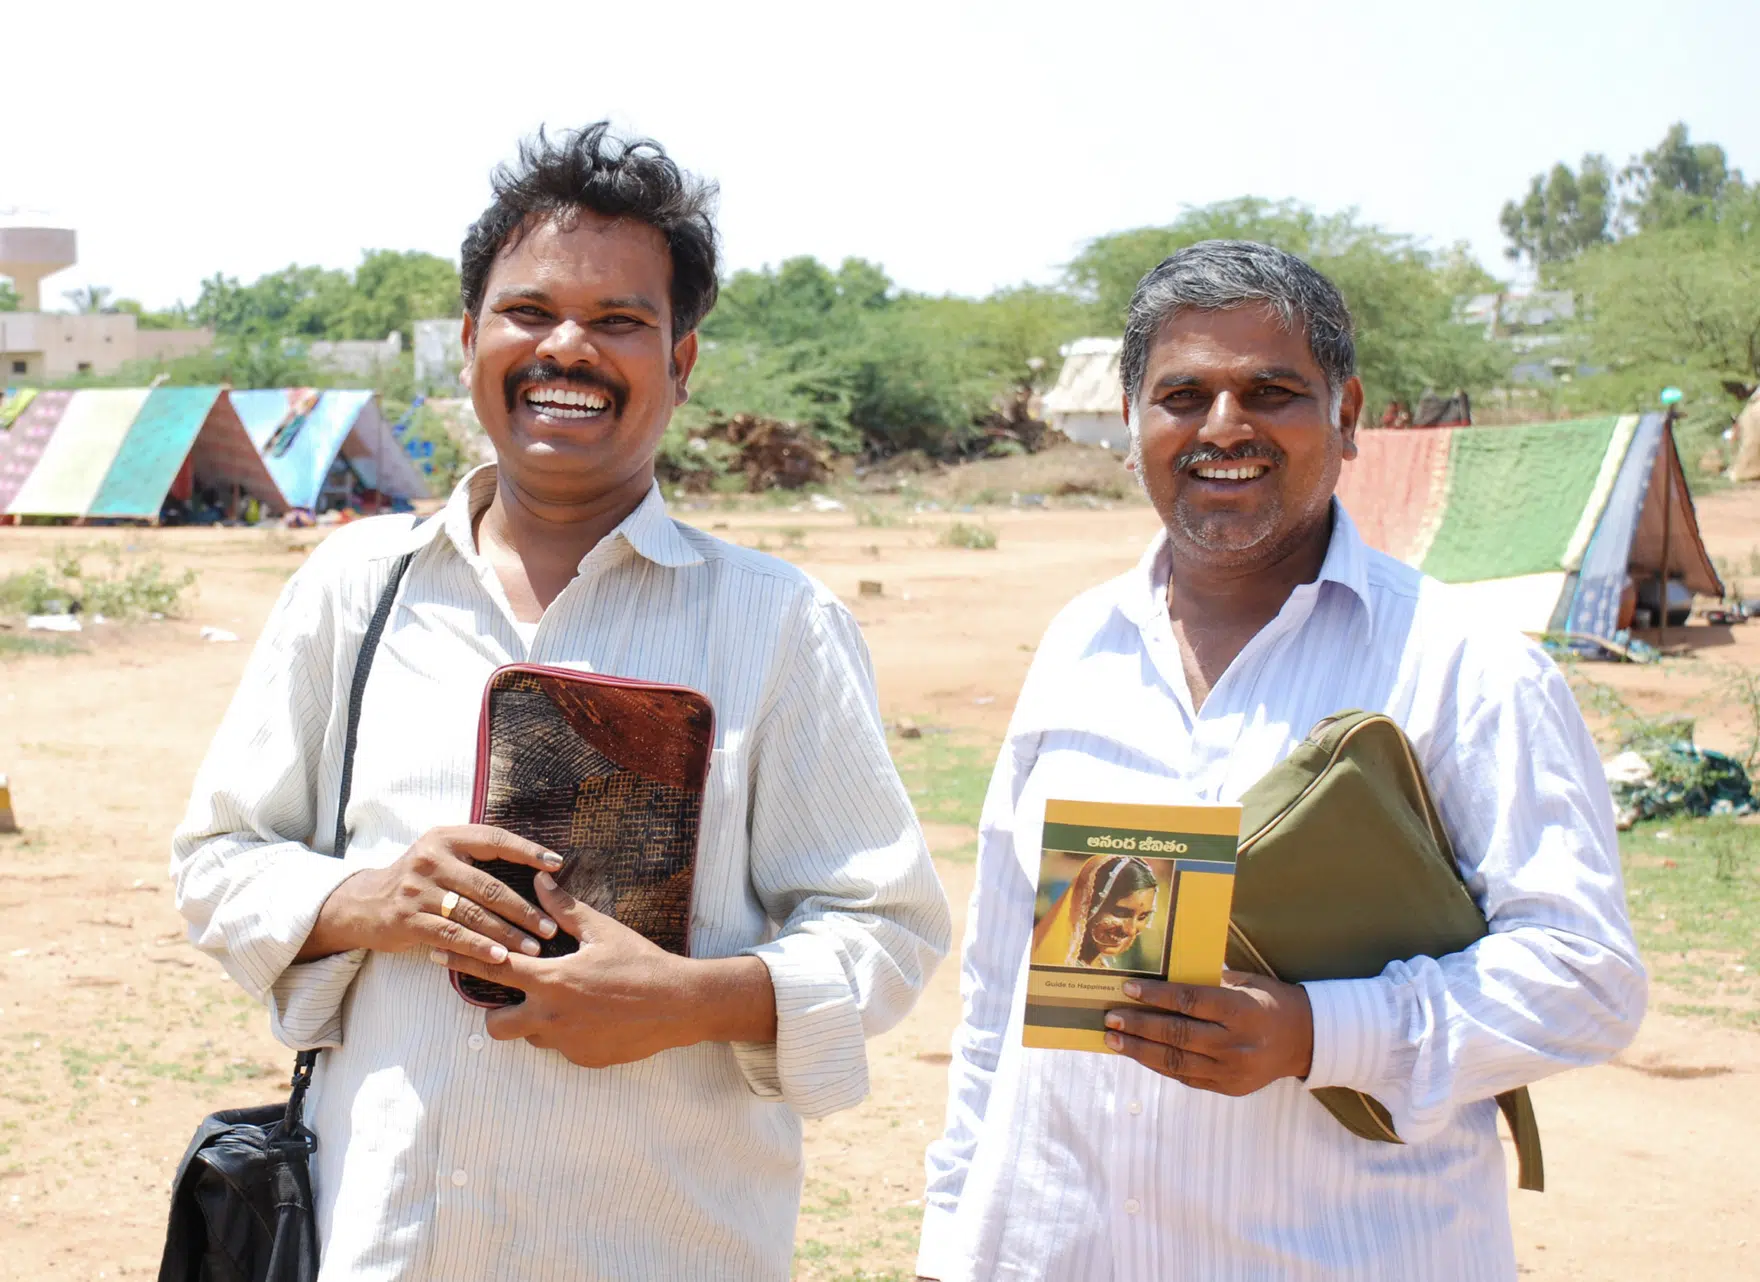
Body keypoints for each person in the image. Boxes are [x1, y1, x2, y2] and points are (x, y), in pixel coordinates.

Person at [171, 123, 950, 1281]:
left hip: (663, 1242)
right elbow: (221, 857)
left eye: (620, 320)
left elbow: (884, 926)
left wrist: (690, 999)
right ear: (473, 342)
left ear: (681, 363)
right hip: (384, 1239)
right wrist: (369, 899)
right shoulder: (353, 589)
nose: (567, 348)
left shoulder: (776, 623)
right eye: (528, 312)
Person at [917, 241, 1645, 1281]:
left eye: (1270, 391)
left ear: (1346, 415)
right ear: (1131, 424)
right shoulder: (1080, 645)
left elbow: (1585, 978)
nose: (1223, 426)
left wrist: (1316, 1031)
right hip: (1053, 1249)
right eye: (1182, 394)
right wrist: (951, 1243)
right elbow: (1000, 986)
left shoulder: (1463, 666)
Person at [1030, 854, 1160, 969]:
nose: (1130, 930)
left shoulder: (1101, 966)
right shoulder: (1052, 965)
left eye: (1142, 917)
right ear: (1088, 903)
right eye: (1120, 913)